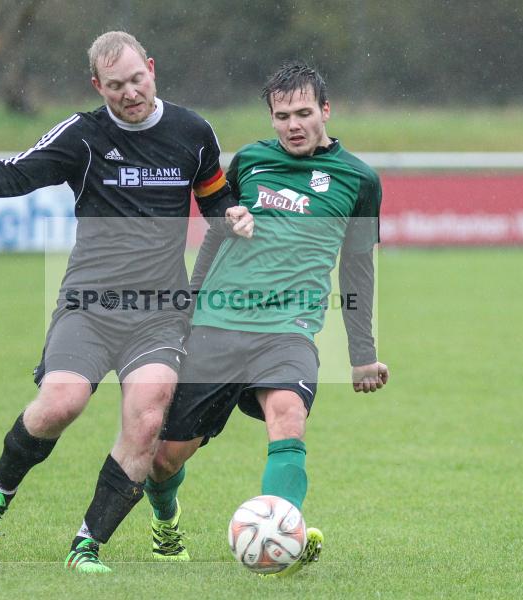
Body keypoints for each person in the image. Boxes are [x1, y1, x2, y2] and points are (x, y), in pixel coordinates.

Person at [0, 31, 253, 573]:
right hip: (90, 305)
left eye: (137, 80)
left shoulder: (193, 132)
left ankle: (87, 544)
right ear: (97, 86)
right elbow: (12, 177)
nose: (130, 93)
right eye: (116, 86)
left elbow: (216, 197)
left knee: (147, 422)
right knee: (62, 403)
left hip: (159, 314)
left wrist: (234, 216)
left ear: (152, 68)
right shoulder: (82, 135)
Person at [141, 61, 390, 576]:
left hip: (289, 329)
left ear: (326, 110)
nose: (293, 124)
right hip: (219, 321)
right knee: (165, 457)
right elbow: (217, 229)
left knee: (287, 417)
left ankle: (283, 534)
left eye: (304, 112)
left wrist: (362, 356)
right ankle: (166, 522)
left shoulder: (360, 180)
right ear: (271, 117)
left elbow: (358, 271)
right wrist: (188, 300)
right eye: (282, 115)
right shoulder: (250, 161)